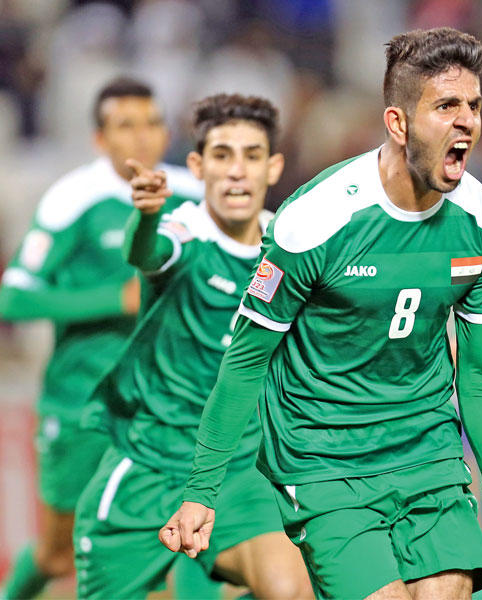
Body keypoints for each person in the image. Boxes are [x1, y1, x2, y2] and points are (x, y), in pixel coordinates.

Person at [159, 27, 482, 600]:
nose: (466, 122)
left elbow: (481, 374)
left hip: (427, 454)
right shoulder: (315, 221)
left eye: (474, 106)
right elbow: (247, 361)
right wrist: (202, 491)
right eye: (446, 106)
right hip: (324, 461)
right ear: (398, 123)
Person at [71, 93, 313, 600]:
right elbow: (149, 253)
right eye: (222, 155)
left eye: (251, 155)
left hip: (237, 471)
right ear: (199, 167)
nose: (237, 171)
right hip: (152, 465)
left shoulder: (293, 246)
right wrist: (146, 217)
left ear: (272, 167)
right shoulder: (184, 230)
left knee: (290, 590)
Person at [0, 76, 210, 600]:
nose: (142, 135)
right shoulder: (75, 198)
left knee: (180, 543)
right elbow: (14, 298)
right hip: (82, 399)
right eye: (125, 125)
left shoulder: (191, 195)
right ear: (99, 138)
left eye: (152, 123)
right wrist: (114, 298)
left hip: (165, 404)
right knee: (57, 554)